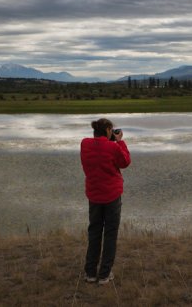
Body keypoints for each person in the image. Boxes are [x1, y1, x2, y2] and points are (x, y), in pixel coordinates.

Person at [81, 118, 131, 285]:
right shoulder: (113, 147)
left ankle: (90, 272)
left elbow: (98, 152)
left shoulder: (85, 144)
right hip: (111, 196)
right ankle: (104, 274)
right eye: (112, 130)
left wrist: (111, 142)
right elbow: (125, 162)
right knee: (110, 234)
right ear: (109, 130)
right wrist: (120, 142)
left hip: (94, 195)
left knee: (94, 231)